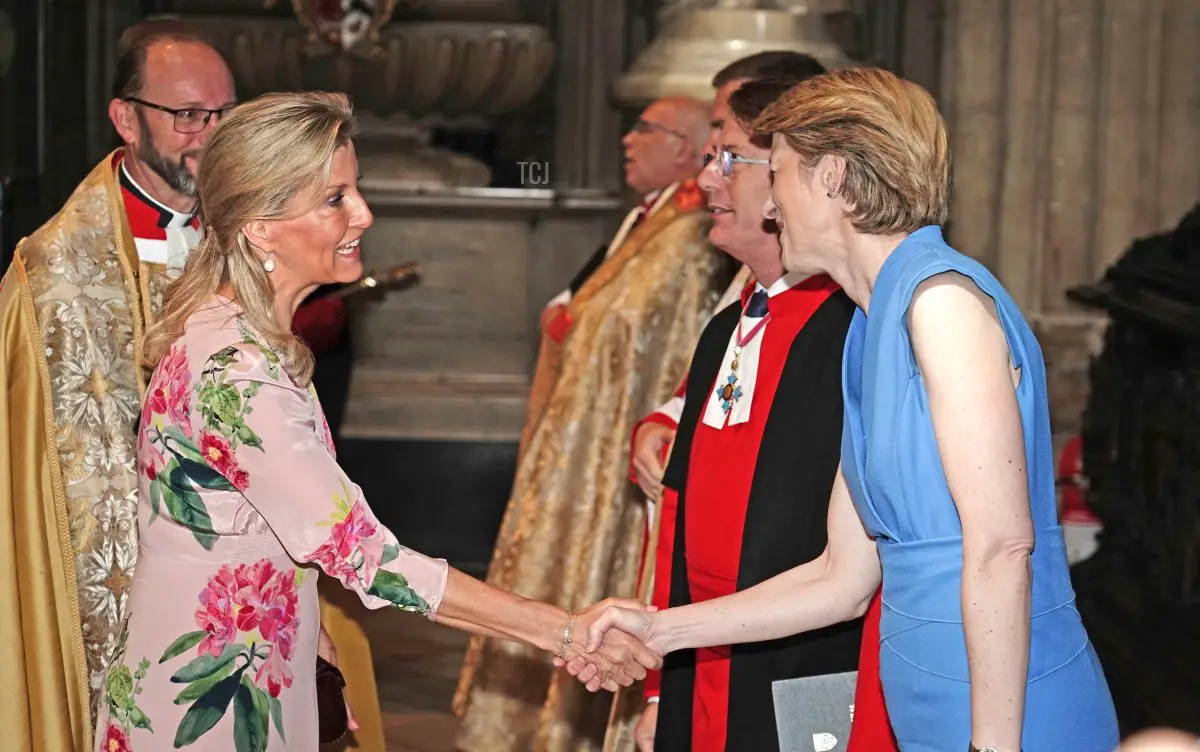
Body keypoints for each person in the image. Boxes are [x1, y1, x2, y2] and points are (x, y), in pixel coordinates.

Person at [89, 91, 657, 752]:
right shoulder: (236, 372)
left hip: (228, 676)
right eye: (334, 199)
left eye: (354, 191)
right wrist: (561, 630)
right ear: (260, 225)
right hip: (209, 712)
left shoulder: (239, 335)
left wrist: (307, 634)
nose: (364, 214)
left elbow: (253, 528)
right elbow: (364, 555)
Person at [579, 67, 1120, 751]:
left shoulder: (940, 304)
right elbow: (840, 580)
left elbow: (1002, 547)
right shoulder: (867, 327)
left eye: (775, 174)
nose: (769, 208)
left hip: (1007, 712)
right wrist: (660, 630)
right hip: (921, 701)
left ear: (832, 175)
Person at [0, 22, 393, 752]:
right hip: (116, 582)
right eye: (187, 116)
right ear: (125, 119)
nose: (210, 135)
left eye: (224, 114)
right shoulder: (50, 277)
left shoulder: (260, 226)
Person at [625, 54, 897, 752]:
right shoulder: (731, 322)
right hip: (702, 647)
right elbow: (681, 507)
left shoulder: (855, 328)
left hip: (802, 661)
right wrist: (660, 679)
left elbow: (849, 563)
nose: (708, 178)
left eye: (735, 158)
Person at [453, 95, 734, 752]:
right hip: (578, 447)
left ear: (687, 151)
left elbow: (654, 345)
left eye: (647, 129)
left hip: (609, 459)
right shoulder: (652, 218)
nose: (628, 140)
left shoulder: (691, 237)